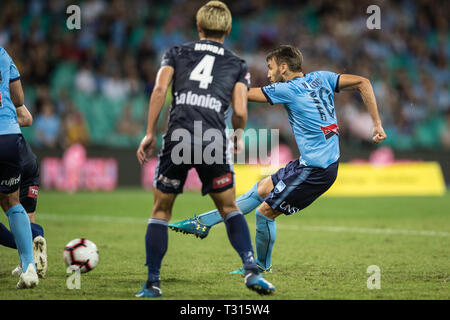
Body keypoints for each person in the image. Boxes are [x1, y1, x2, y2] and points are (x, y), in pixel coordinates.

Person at [169, 45, 387, 274]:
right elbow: (364, 82)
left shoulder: (287, 89)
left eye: (270, 68)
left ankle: (261, 267)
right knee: (262, 188)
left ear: (284, 67)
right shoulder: (322, 77)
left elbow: (243, 94)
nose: (269, 74)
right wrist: (377, 124)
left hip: (316, 171)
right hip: (310, 164)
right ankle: (203, 222)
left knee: (264, 213)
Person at [135, 1, 275, 298]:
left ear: (199, 27)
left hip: (179, 134)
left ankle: (152, 284)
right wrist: (237, 134)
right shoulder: (237, 64)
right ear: (227, 29)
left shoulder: (176, 52)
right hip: (212, 137)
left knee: (161, 209)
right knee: (228, 208)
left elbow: (159, 90)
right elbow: (239, 109)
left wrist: (149, 132)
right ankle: (251, 270)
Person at [0, 46, 39, 288]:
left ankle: (36, 236)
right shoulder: (2, 54)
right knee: (12, 202)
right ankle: (29, 268)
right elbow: (19, 100)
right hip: (8, 137)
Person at [0, 104, 48, 279]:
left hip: (8, 157)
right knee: (26, 216)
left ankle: (32, 243)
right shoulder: (9, 95)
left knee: (10, 204)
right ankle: (30, 262)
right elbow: (27, 118)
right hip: (26, 158)